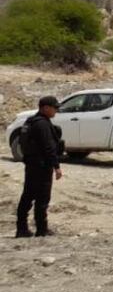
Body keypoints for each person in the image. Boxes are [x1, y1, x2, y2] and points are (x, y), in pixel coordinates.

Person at [16, 96, 63, 238]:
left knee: (28, 196)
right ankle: (41, 229)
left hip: (31, 165)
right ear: (45, 107)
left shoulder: (30, 122)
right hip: (41, 166)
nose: (56, 110)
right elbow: (48, 147)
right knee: (42, 198)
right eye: (54, 108)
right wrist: (56, 166)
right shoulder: (42, 124)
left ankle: (22, 228)